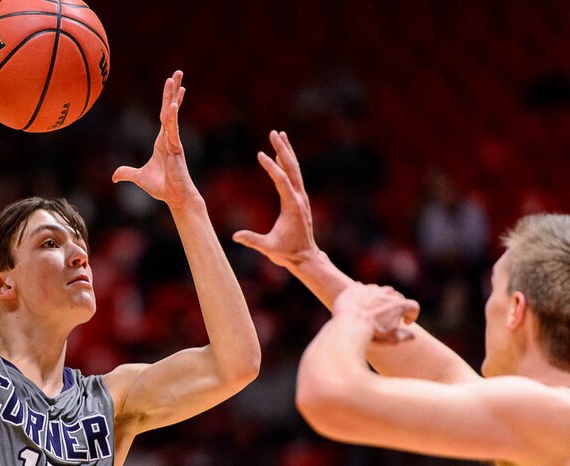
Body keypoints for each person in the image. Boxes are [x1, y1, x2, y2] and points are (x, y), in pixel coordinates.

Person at [0, 1, 260, 464]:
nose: (79, 255)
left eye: (80, 244)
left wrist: (186, 205)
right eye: (50, 242)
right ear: (1, 281)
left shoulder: (111, 405)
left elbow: (238, 364)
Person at [233, 130, 570, 465]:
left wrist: (352, 320)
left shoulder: (550, 412)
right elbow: (444, 378)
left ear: (516, 309)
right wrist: (307, 260)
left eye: (493, 289)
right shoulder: (546, 414)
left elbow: (328, 398)